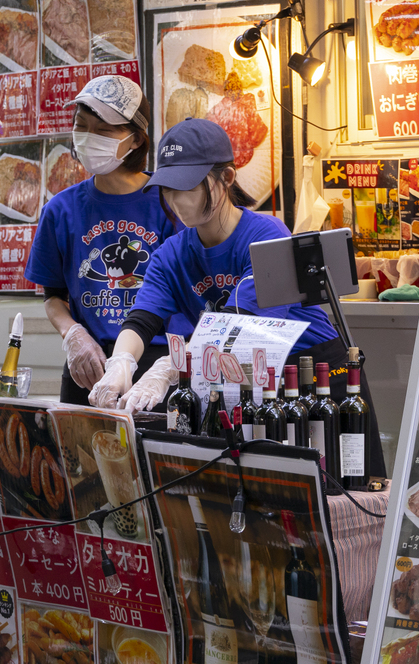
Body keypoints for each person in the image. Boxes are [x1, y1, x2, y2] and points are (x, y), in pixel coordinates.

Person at [90, 119, 386, 477]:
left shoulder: (267, 235)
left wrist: (169, 366)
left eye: (187, 187)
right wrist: (120, 363)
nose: (176, 200)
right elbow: (142, 320)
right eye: (167, 188)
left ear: (227, 178)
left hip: (317, 372)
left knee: (346, 485)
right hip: (248, 380)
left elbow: (239, 324)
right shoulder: (171, 254)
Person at [24, 75, 186, 404]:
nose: (87, 138)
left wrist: (167, 369)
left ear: (136, 139)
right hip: (89, 367)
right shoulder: (60, 210)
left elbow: (187, 297)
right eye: (81, 126)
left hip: (153, 369)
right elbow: (53, 297)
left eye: (103, 130)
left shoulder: (171, 203)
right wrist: (73, 335)